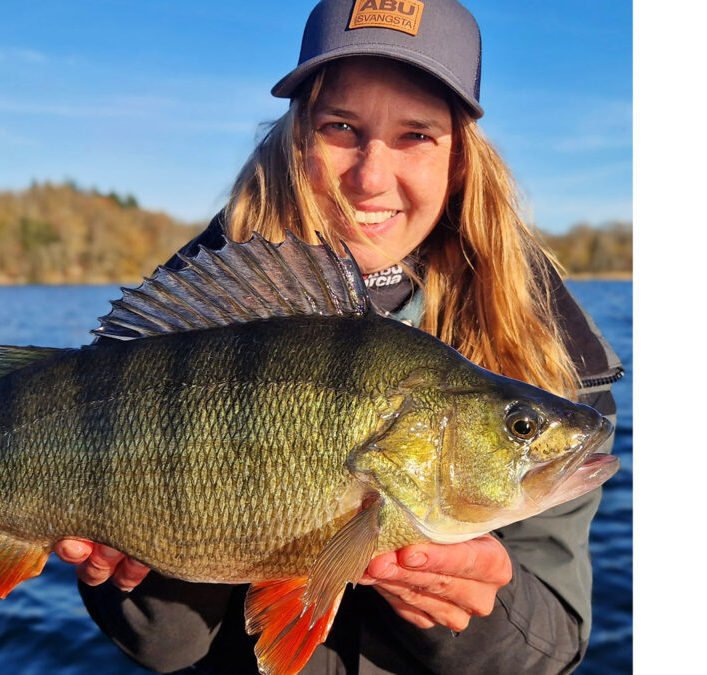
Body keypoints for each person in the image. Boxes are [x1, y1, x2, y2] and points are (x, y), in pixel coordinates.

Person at [54, 1, 623, 673]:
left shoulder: (551, 347)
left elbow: (551, 647)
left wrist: (478, 610)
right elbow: (163, 647)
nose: (371, 175)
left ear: (459, 160)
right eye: (342, 127)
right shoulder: (191, 319)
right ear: (297, 138)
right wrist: (148, 572)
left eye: (415, 135)